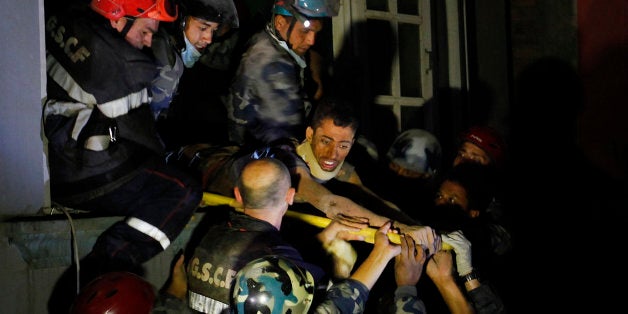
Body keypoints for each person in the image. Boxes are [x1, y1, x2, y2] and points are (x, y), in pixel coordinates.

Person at [43, 1, 203, 312]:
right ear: (117, 19)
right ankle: (113, 259)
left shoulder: (71, 24)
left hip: (60, 168)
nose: (147, 41)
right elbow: (143, 137)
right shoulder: (122, 64)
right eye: (145, 31)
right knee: (183, 190)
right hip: (89, 174)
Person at [185, 157, 374, 312]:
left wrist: (327, 236)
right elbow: (328, 306)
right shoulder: (274, 256)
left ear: (238, 195)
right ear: (290, 196)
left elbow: (279, 257)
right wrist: (381, 253)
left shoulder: (211, 234)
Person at [224, 0, 339, 148]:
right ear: (280, 23)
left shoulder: (273, 40)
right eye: (305, 31)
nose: (311, 40)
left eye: (316, 32)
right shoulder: (271, 64)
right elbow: (287, 137)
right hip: (263, 156)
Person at [152, 0, 240, 150]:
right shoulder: (166, 61)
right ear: (182, 20)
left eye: (213, 30)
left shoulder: (168, 48)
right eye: (203, 28)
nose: (209, 38)